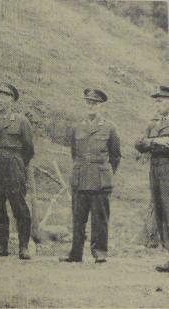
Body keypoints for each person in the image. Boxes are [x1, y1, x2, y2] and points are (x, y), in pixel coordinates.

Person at [60, 89, 121, 263]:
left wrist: (105, 173)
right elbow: (74, 153)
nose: (91, 106)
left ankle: (100, 252)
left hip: (100, 180)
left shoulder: (110, 128)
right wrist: (82, 168)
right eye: (89, 103)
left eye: (95, 103)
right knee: (78, 218)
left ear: (101, 106)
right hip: (80, 178)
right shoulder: (77, 127)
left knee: (100, 218)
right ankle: (75, 253)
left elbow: (115, 156)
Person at [0, 83, 34, 259]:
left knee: (19, 207)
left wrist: (17, 163)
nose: (0, 101)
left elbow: (28, 149)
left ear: (12, 101)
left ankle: (23, 247)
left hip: (14, 167)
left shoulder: (21, 121)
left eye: (4, 97)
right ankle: (1, 246)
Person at [135, 85, 169, 272]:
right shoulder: (153, 123)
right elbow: (139, 143)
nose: (157, 105)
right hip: (155, 171)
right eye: (156, 101)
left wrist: (152, 142)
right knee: (161, 212)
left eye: (161, 101)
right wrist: (157, 142)